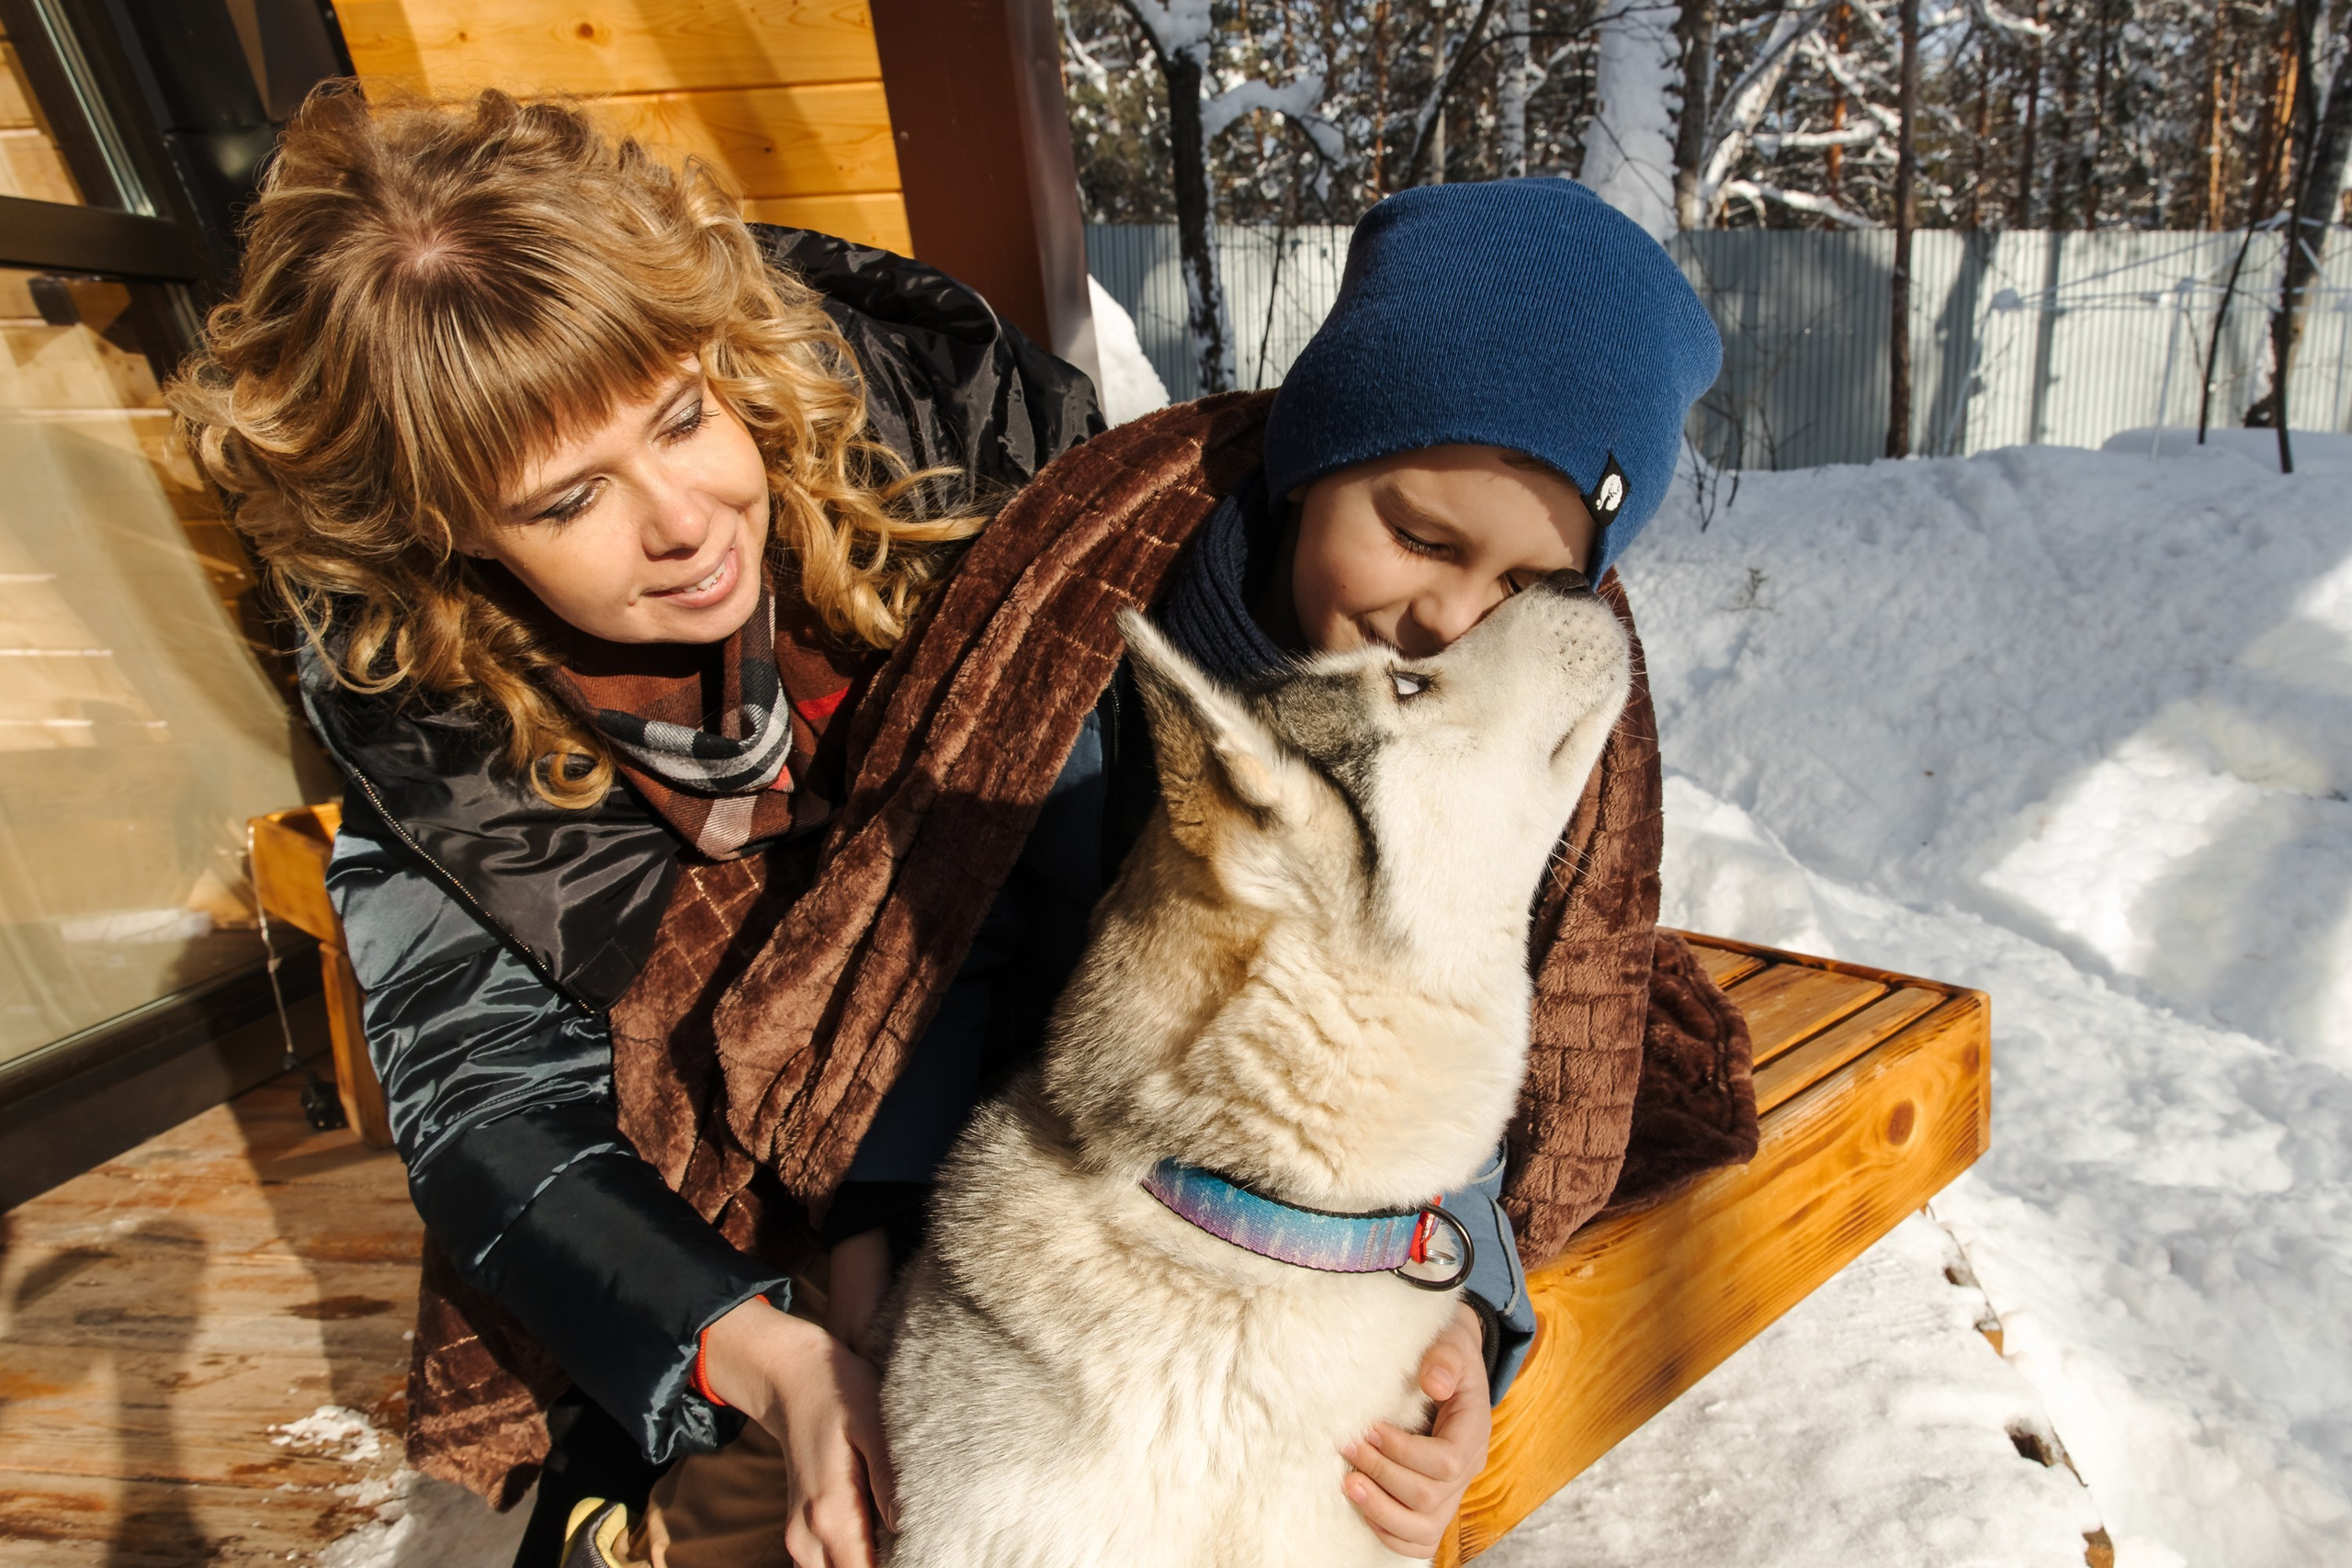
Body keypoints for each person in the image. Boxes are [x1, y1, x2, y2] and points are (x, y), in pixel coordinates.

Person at [170, 88, 1742, 1568]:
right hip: (743, 1178)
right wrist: (756, 1345)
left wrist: (1436, 1269)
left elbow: (1267, 934)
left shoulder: (987, 471)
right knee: (759, 1497)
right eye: (566, 501)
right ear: (449, 532)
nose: (679, 520)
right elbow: (488, 1113)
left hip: (1066, 1130)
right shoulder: (433, 732)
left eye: (679, 415)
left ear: (728, 350)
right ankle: (630, 1519)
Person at [582, 177, 1731, 1566]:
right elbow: (942, 927)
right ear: (1317, 458)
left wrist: (1468, 1313)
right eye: (1420, 535)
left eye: (1527, 587)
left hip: (1297, 1214)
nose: (1447, 619)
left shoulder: (1528, 728)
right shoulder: (1089, 622)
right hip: (1035, 1164)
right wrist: (872, 1218)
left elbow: (1491, 1011)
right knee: (801, 1502)